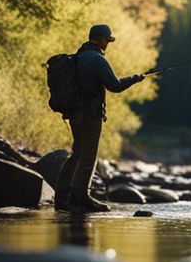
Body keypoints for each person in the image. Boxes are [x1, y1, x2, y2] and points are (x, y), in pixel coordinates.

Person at [55, 24, 145, 213]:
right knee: (88, 156)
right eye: (107, 40)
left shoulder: (78, 57)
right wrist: (135, 79)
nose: (108, 44)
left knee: (77, 153)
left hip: (74, 113)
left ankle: (61, 197)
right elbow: (114, 86)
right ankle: (80, 198)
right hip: (90, 114)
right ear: (100, 39)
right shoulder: (97, 59)